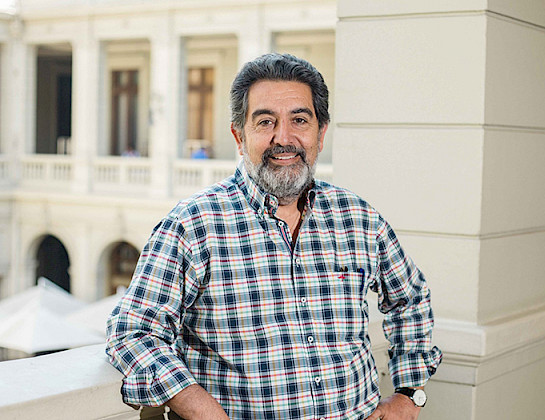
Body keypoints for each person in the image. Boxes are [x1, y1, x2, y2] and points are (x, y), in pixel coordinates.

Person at [106, 53, 442, 420]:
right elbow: (133, 333)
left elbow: (411, 298)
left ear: (321, 134)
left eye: (300, 120)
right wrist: (208, 414)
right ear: (239, 136)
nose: (283, 138)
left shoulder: (358, 218)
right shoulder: (192, 226)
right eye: (266, 121)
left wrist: (409, 393)